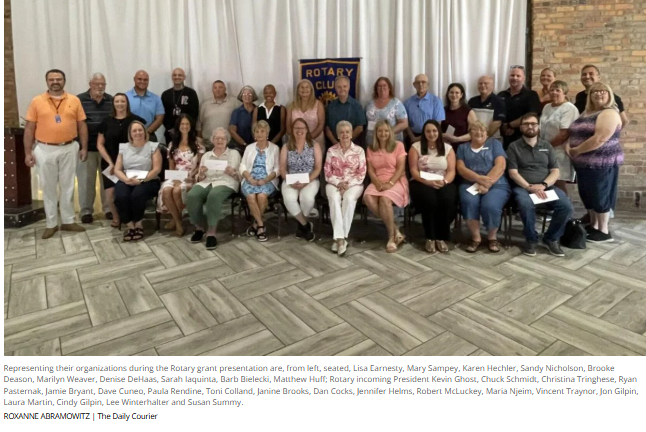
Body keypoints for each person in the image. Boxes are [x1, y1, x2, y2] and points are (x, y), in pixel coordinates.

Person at [23, 69, 88, 239]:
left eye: (58, 79)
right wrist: (28, 152)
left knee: (68, 186)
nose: (55, 82)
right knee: (48, 187)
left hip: (69, 147)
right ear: (47, 82)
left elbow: (82, 125)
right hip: (45, 149)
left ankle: (68, 221)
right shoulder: (37, 101)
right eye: (52, 79)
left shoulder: (74, 100)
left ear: (64, 81)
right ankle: (51, 223)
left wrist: (84, 147)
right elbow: (29, 128)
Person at [508, 113, 573, 257]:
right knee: (525, 204)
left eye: (533, 124)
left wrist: (543, 185)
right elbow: (513, 173)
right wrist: (529, 187)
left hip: (546, 187)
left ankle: (551, 238)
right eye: (526, 124)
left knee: (566, 206)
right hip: (523, 187)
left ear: (538, 126)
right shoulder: (514, 147)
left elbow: (555, 171)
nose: (530, 127)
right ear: (521, 127)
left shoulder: (547, 146)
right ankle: (531, 239)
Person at [566, 82, 623, 243]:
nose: (599, 93)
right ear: (589, 96)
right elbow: (575, 132)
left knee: (600, 195)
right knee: (588, 195)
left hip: (601, 163)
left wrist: (577, 150)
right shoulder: (587, 112)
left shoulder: (609, 112)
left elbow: (600, 138)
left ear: (609, 94)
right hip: (584, 163)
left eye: (603, 91)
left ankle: (603, 231)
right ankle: (594, 225)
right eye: (595, 91)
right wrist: (569, 146)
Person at [456, 121, 510, 253]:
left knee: (490, 205)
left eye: (482, 130)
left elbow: (500, 165)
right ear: (470, 133)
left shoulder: (495, 144)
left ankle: (492, 237)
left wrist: (487, 183)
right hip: (469, 183)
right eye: (475, 129)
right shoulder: (462, 148)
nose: (479, 132)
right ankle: (476, 238)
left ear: (487, 133)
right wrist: (478, 179)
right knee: (469, 202)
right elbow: (461, 169)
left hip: (496, 183)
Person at [187, 128, 241, 250]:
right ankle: (199, 227)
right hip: (207, 181)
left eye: (222, 138)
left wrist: (233, 172)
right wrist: (201, 173)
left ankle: (211, 232)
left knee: (214, 195)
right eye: (217, 138)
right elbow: (200, 177)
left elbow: (239, 176)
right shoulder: (206, 155)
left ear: (227, 140)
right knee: (192, 195)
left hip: (226, 182)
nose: (220, 140)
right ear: (212, 140)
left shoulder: (234, 154)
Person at [96, 93, 146, 228]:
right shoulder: (106, 121)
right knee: (110, 195)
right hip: (110, 162)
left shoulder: (135, 120)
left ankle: (132, 217)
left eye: (122, 101)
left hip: (131, 163)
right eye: (117, 101)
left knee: (129, 193)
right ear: (113, 104)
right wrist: (110, 162)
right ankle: (116, 217)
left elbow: (143, 140)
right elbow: (100, 144)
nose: (120, 104)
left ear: (127, 103)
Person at [408, 120, 457, 253]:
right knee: (430, 200)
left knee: (446, 199)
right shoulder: (415, 147)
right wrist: (427, 182)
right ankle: (430, 237)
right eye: (428, 131)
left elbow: (451, 171)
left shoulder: (448, 148)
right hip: (421, 181)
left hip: (442, 181)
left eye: (434, 131)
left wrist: (445, 182)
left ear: (439, 132)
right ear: (424, 133)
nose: (431, 134)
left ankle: (441, 237)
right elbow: (413, 170)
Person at [363, 120, 409, 253]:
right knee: (367, 197)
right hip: (378, 180)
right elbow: (371, 170)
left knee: (384, 199)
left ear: (390, 132)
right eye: (380, 131)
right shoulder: (370, 148)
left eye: (386, 131)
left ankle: (391, 237)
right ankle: (395, 229)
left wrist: (390, 183)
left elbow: (400, 168)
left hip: (396, 180)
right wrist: (377, 183)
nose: (383, 133)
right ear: (376, 133)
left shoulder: (398, 145)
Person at [113, 121, 162, 241]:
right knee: (120, 196)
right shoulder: (124, 147)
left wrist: (141, 180)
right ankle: (130, 225)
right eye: (134, 131)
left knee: (137, 195)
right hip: (127, 179)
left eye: (140, 130)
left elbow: (157, 169)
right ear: (130, 134)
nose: (137, 133)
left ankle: (139, 223)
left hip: (149, 179)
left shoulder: (153, 146)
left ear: (144, 132)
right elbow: (117, 169)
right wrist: (126, 180)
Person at [324, 121, 367, 256]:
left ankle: (339, 239)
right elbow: (327, 172)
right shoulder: (331, 151)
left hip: (354, 184)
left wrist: (348, 184)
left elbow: (362, 173)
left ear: (351, 134)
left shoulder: (359, 151)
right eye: (341, 132)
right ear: (337, 135)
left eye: (347, 132)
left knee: (348, 198)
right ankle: (341, 240)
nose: (345, 135)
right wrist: (338, 183)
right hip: (334, 183)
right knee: (334, 198)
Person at [158, 114, 205, 237]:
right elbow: (171, 165)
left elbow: (200, 164)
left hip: (190, 176)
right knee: (167, 190)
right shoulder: (172, 144)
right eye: (182, 124)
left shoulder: (198, 143)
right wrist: (175, 178)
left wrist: (192, 174)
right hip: (175, 175)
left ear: (191, 126)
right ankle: (178, 221)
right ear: (178, 126)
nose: (184, 126)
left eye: (187, 124)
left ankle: (176, 220)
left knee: (177, 191)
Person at [76, 72, 112, 223]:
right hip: (86, 148)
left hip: (106, 150)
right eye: (97, 84)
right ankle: (86, 211)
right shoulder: (79, 100)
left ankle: (109, 209)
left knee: (108, 180)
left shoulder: (111, 100)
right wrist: (81, 146)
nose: (100, 86)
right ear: (90, 84)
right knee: (86, 181)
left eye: (103, 84)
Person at [280, 118, 322, 241]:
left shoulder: (314, 145)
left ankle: (300, 226)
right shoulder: (286, 146)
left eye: (302, 128)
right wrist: (289, 180)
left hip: (310, 178)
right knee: (289, 199)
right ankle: (305, 224)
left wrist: (306, 181)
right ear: (292, 130)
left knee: (307, 199)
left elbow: (318, 168)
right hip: (291, 179)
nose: (299, 130)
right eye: (296, 128)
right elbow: (282, 168)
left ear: (307, 130)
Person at [239, 120, 280, 242]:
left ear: (267, 133)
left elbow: (278, 169)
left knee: (262, 196)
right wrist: (249, 178)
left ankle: (255, 224)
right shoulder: (249, 148)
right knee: (251, 196)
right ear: (254, 134)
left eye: (262, 131)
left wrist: (265, 179)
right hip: (250, 178)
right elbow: (242, 166)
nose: (259, 134)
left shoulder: (275, 148)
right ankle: (261, 225)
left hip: (268, 179)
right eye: (257, 131)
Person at [540, 80, 580, 193]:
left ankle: (564, 203)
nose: (554, 92)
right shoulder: (547, 106)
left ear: (564, 93)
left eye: (558, 90)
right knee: (546, 181)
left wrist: (546, 147)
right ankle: (550, 203)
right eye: (552, 90)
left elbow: (564, 134)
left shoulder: (569, 108)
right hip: (545, 149)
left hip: (560, 151)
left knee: (558, 182)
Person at [498, 66, 541, 149]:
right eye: (512, 75)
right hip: (503, 138)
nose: (515, 78)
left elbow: (531, 115)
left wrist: (510, 125)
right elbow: (497, 114)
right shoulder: (501, 95)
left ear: (523, 78)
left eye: (518, 76)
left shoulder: (531, 95)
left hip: (523, 138)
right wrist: (504, 127)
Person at [366, 77, 409, 147]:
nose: (382, 88)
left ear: (389, 88)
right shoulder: (369, 104)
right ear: (376, 88)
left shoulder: (396, 103)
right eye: (379, 86)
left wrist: (388, 132)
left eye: (384, 85)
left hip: (391, 142)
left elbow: (404, 123)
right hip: (372, 142)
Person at [325, 76, 367, 147]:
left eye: (345, 86)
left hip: (353, 145)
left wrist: (346, 141)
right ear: (335, 88)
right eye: (339, 87)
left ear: (349, 87)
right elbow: (327, 128)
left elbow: (360, 127)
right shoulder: (330, 107)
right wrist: (336, 144)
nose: (342, 89)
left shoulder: (357, 106)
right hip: (334, 145)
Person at [160, 68, 199, 144]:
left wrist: (185, 128)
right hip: (170, 133)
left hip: (187, 131)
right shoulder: (165, 94)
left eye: (180, 75)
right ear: (172, 77)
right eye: (175, 75)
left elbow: (194, 113)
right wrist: (170, 129)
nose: (177, 77)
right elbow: (163, 114)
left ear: (184, 77)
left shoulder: (191, 93)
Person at [403, 74, 444, 147]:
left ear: (428, 84)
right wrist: (412, 137)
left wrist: (422, 137)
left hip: (431, 137)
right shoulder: (408, 102)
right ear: (414, 85)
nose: (420, 84)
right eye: (418, 82)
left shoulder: (436, 101)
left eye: (423, 82)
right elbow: (406, 123)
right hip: (413, 137)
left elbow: (437, 123)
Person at [197, 80, 241, 146]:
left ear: (225, 89)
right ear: (212, 90)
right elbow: (199, 125)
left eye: (220, 87)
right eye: (215, 88)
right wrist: (200, 142)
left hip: (229, 143)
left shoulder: (235, 102)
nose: (218, 90)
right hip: (208, 143)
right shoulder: (205, 105)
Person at [125, 70, 164, 141]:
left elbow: (159, 119)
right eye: (139, 79)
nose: (142, 81)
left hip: (149, 135)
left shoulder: (156, 98)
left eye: (145, 80)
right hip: (129, 137)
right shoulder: (125, 97)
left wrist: (146, 133)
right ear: (134, 79)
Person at [287, 79, 325, 148]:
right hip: (296, 142)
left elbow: (321, 125)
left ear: (311, 90)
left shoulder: (318, 105)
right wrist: (297, 139)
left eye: (307, 87)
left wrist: (308, 139)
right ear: (298, 90)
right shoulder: (291, 106)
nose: (304, 89)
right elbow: (288, 125)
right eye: (302, 87)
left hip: (315, 142)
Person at [442, 83, 477, 151]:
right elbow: (437, 129)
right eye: (451, 92)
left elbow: (474, 133)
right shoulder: (443, 110)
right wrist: (442, 135)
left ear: (461, 95)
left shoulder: (468, 111)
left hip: (463, 147)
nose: (454, 95)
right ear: (448, 94)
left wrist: (457, 139)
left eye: (457, 93)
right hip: (446, 147)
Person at [229, 86, 258, 151]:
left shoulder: (259, 110)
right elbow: (232, 131)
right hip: (239, 147)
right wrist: (245, 144)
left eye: (250, 94)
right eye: (244, 94)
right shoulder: (236, 112)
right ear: (241, 97)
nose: (247, 96)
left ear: (253, 96)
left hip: (256, 146)